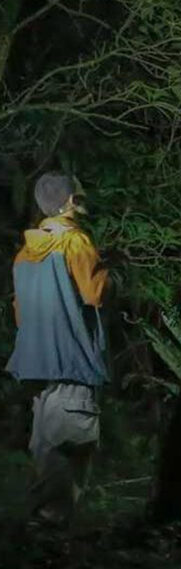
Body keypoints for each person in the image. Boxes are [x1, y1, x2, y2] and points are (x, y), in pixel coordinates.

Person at [6, 172, 110, 526]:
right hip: (72, 362)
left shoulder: (24, 254)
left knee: (46, 449)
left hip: (37, 368)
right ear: (69, 202)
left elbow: (20, 313)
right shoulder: (76, 243)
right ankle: (52, 536)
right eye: (79, 195)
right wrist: (114, 270)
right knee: (71, 449)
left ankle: (38, 533)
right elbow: (96, 293)